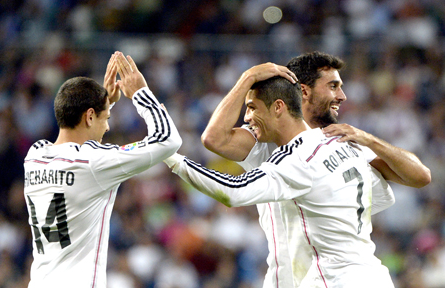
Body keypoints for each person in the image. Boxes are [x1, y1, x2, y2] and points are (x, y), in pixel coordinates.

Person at [200, 52, 431, 287]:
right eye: (333, 86)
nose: (342, 96)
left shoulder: (342, 141)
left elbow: (420, 176)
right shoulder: (265, 139)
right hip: (288, 280)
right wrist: (248, 78)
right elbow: (214, 139)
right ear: (304, 91)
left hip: (339, 278)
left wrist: (369, 140)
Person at [163, 75, 396, 287]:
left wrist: (171, 157)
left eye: (252, 108)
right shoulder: (344, 145)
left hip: (334, 280)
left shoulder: (295, 157)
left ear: (278, 107)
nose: (246, 117)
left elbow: (233, 191)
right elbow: (384, 197)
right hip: (374, 275)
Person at [23, 51, 182, 288]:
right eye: (105, 118)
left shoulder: (34, 156)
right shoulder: (93, 163)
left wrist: (106, 104)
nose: (107, 127)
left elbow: (82, 154)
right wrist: (140, 93)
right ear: (89, 116)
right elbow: (168, 140)